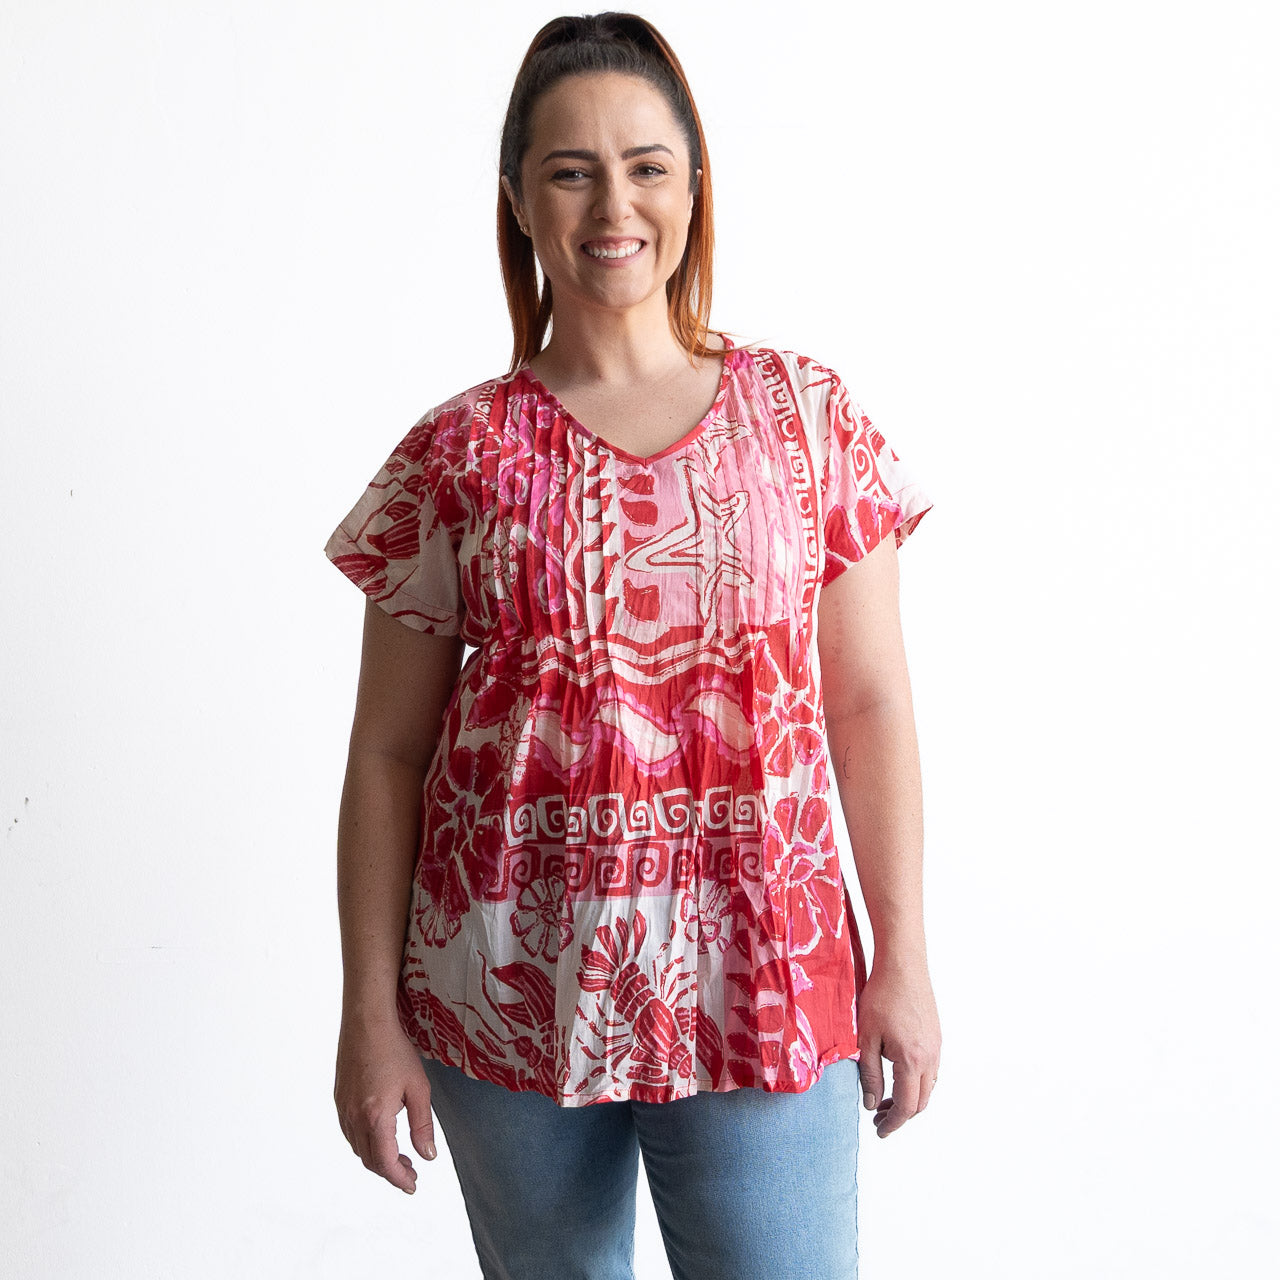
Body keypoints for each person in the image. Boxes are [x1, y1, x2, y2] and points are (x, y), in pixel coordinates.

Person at [325, 12, 941, 1279]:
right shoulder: (455, 453)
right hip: (504, 991)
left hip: (765, 971)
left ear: (692, 184)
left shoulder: (806, 417)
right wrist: (368, 1014)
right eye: (570, 168)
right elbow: (387, 752)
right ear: (518, 198)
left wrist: (904, 960)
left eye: (647, 164)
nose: (614, 202)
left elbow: (868, 703)